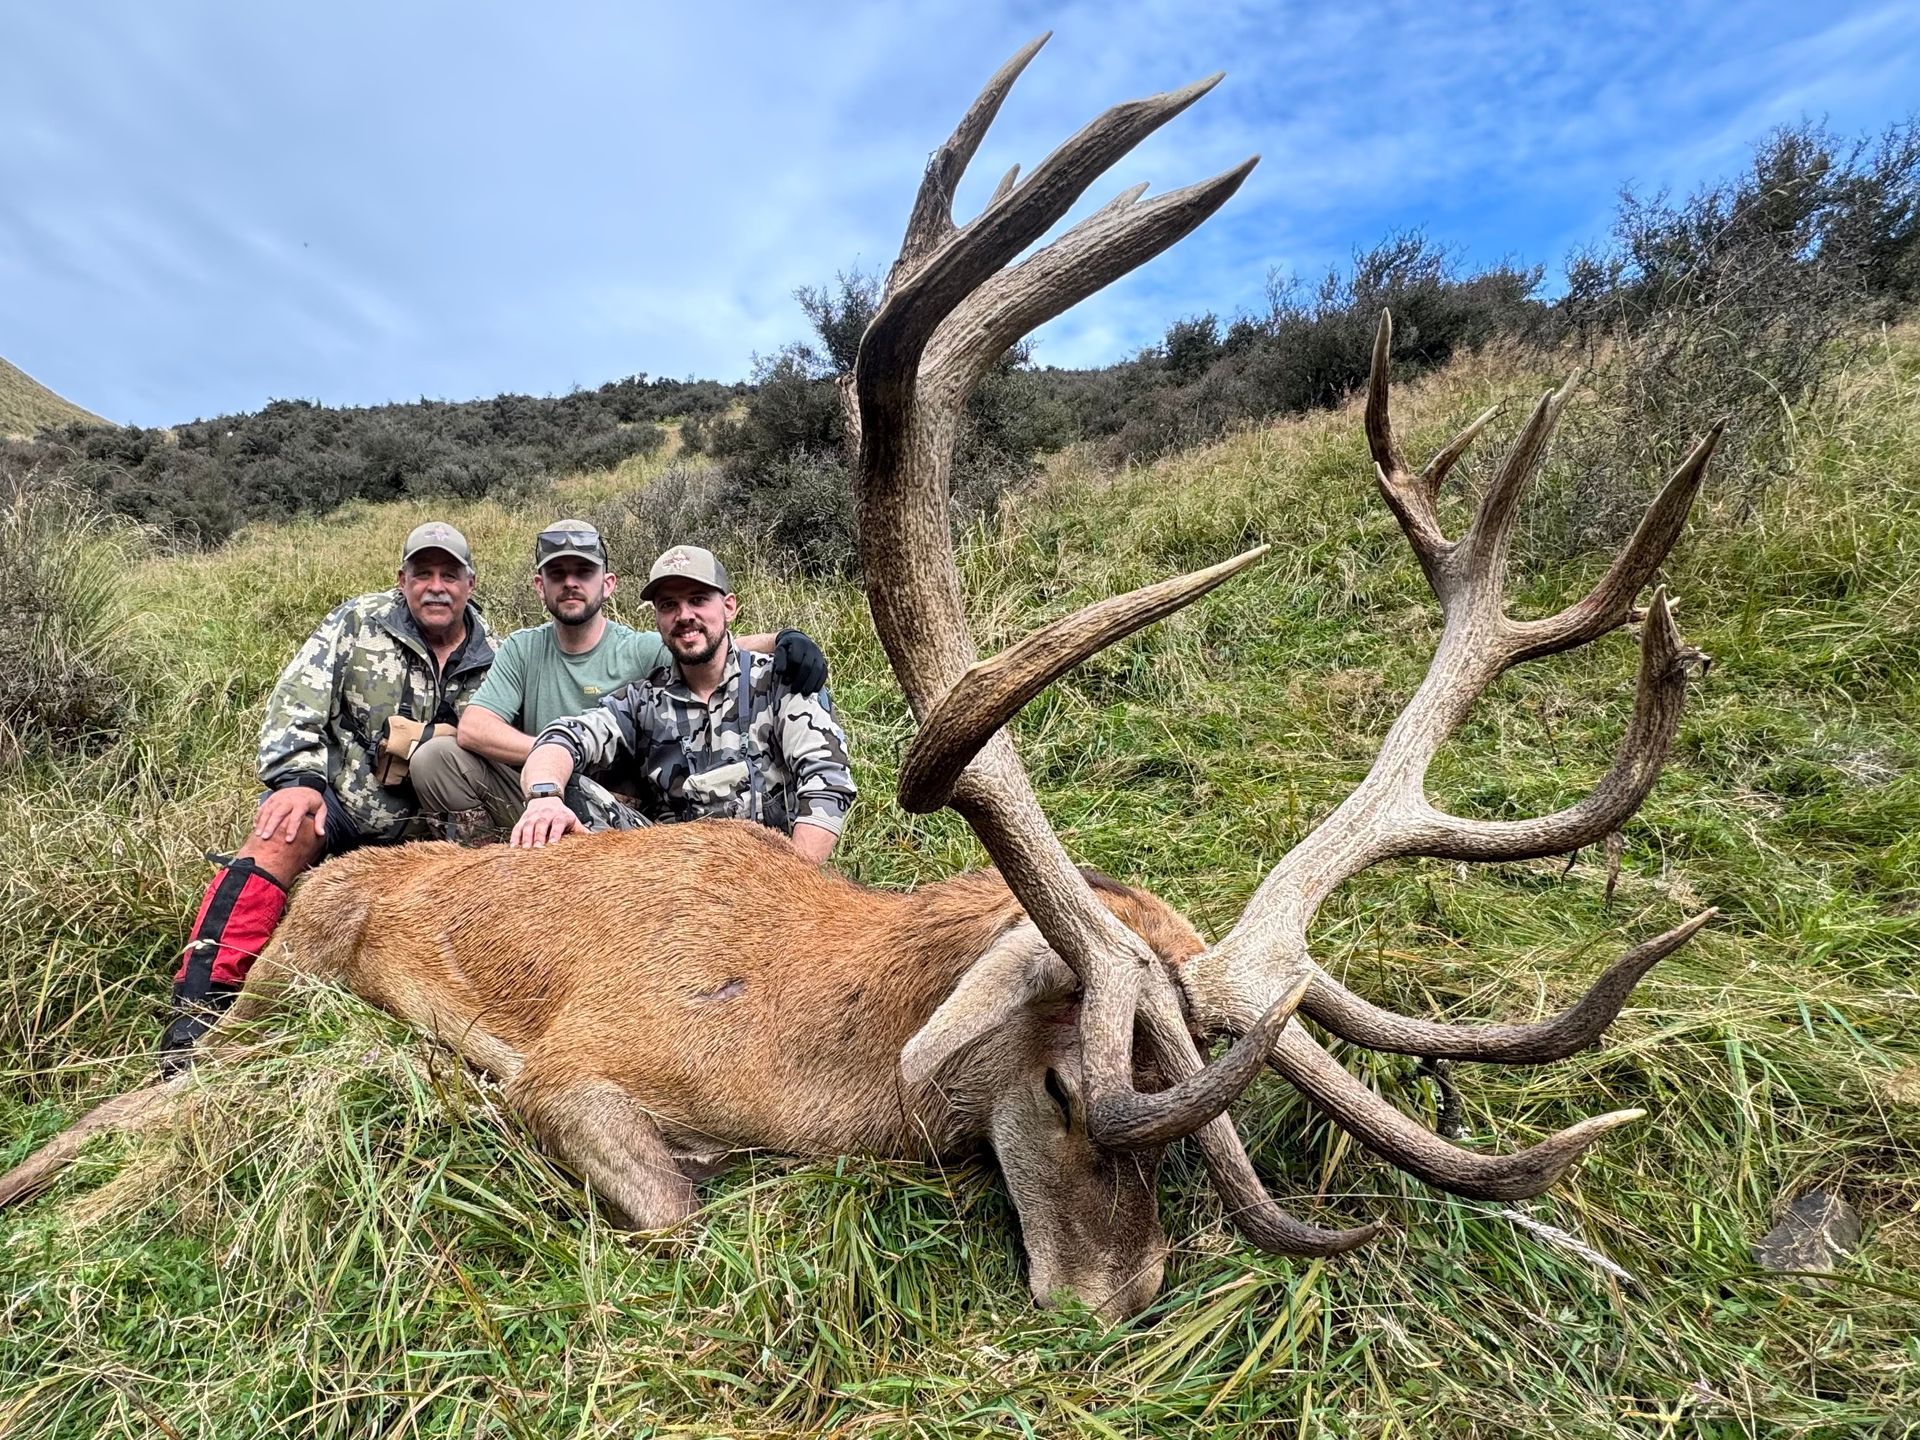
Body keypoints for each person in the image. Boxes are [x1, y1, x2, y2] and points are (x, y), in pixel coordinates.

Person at [161, 521, 494, 1068]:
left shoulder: (496, 653)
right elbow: (296, 705)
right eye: (423, 574)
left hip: (439, 829)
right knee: (280, 831)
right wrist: (299, 782)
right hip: (344, 803)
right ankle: (201, 1004)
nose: (436, 587)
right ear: (402, 580)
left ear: (470, 584)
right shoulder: (356, 623)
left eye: (449, 575)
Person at [409, 519, 828, 830]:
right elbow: (475, 728)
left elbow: (701, 645)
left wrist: (780, 640)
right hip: (549, 786)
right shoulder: (523, 648)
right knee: (435, 759)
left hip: (622, 810)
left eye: (583, 573)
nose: (570, 584)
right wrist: (557, 758)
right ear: (540, 585)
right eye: (557, 574)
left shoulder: (641, 649)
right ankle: (497, 875)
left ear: (607, 583)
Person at [511, 544, 854, 864]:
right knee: (570, 790)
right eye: (668, 605)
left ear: (729, 607)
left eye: (698, 599)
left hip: (769, 869)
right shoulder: (641, 701)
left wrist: (794, 877)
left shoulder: (780, 680)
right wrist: (544, 798)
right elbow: (563, 737)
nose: (684, 615)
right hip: (670, 872)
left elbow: (826, 778)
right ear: (657, 618)